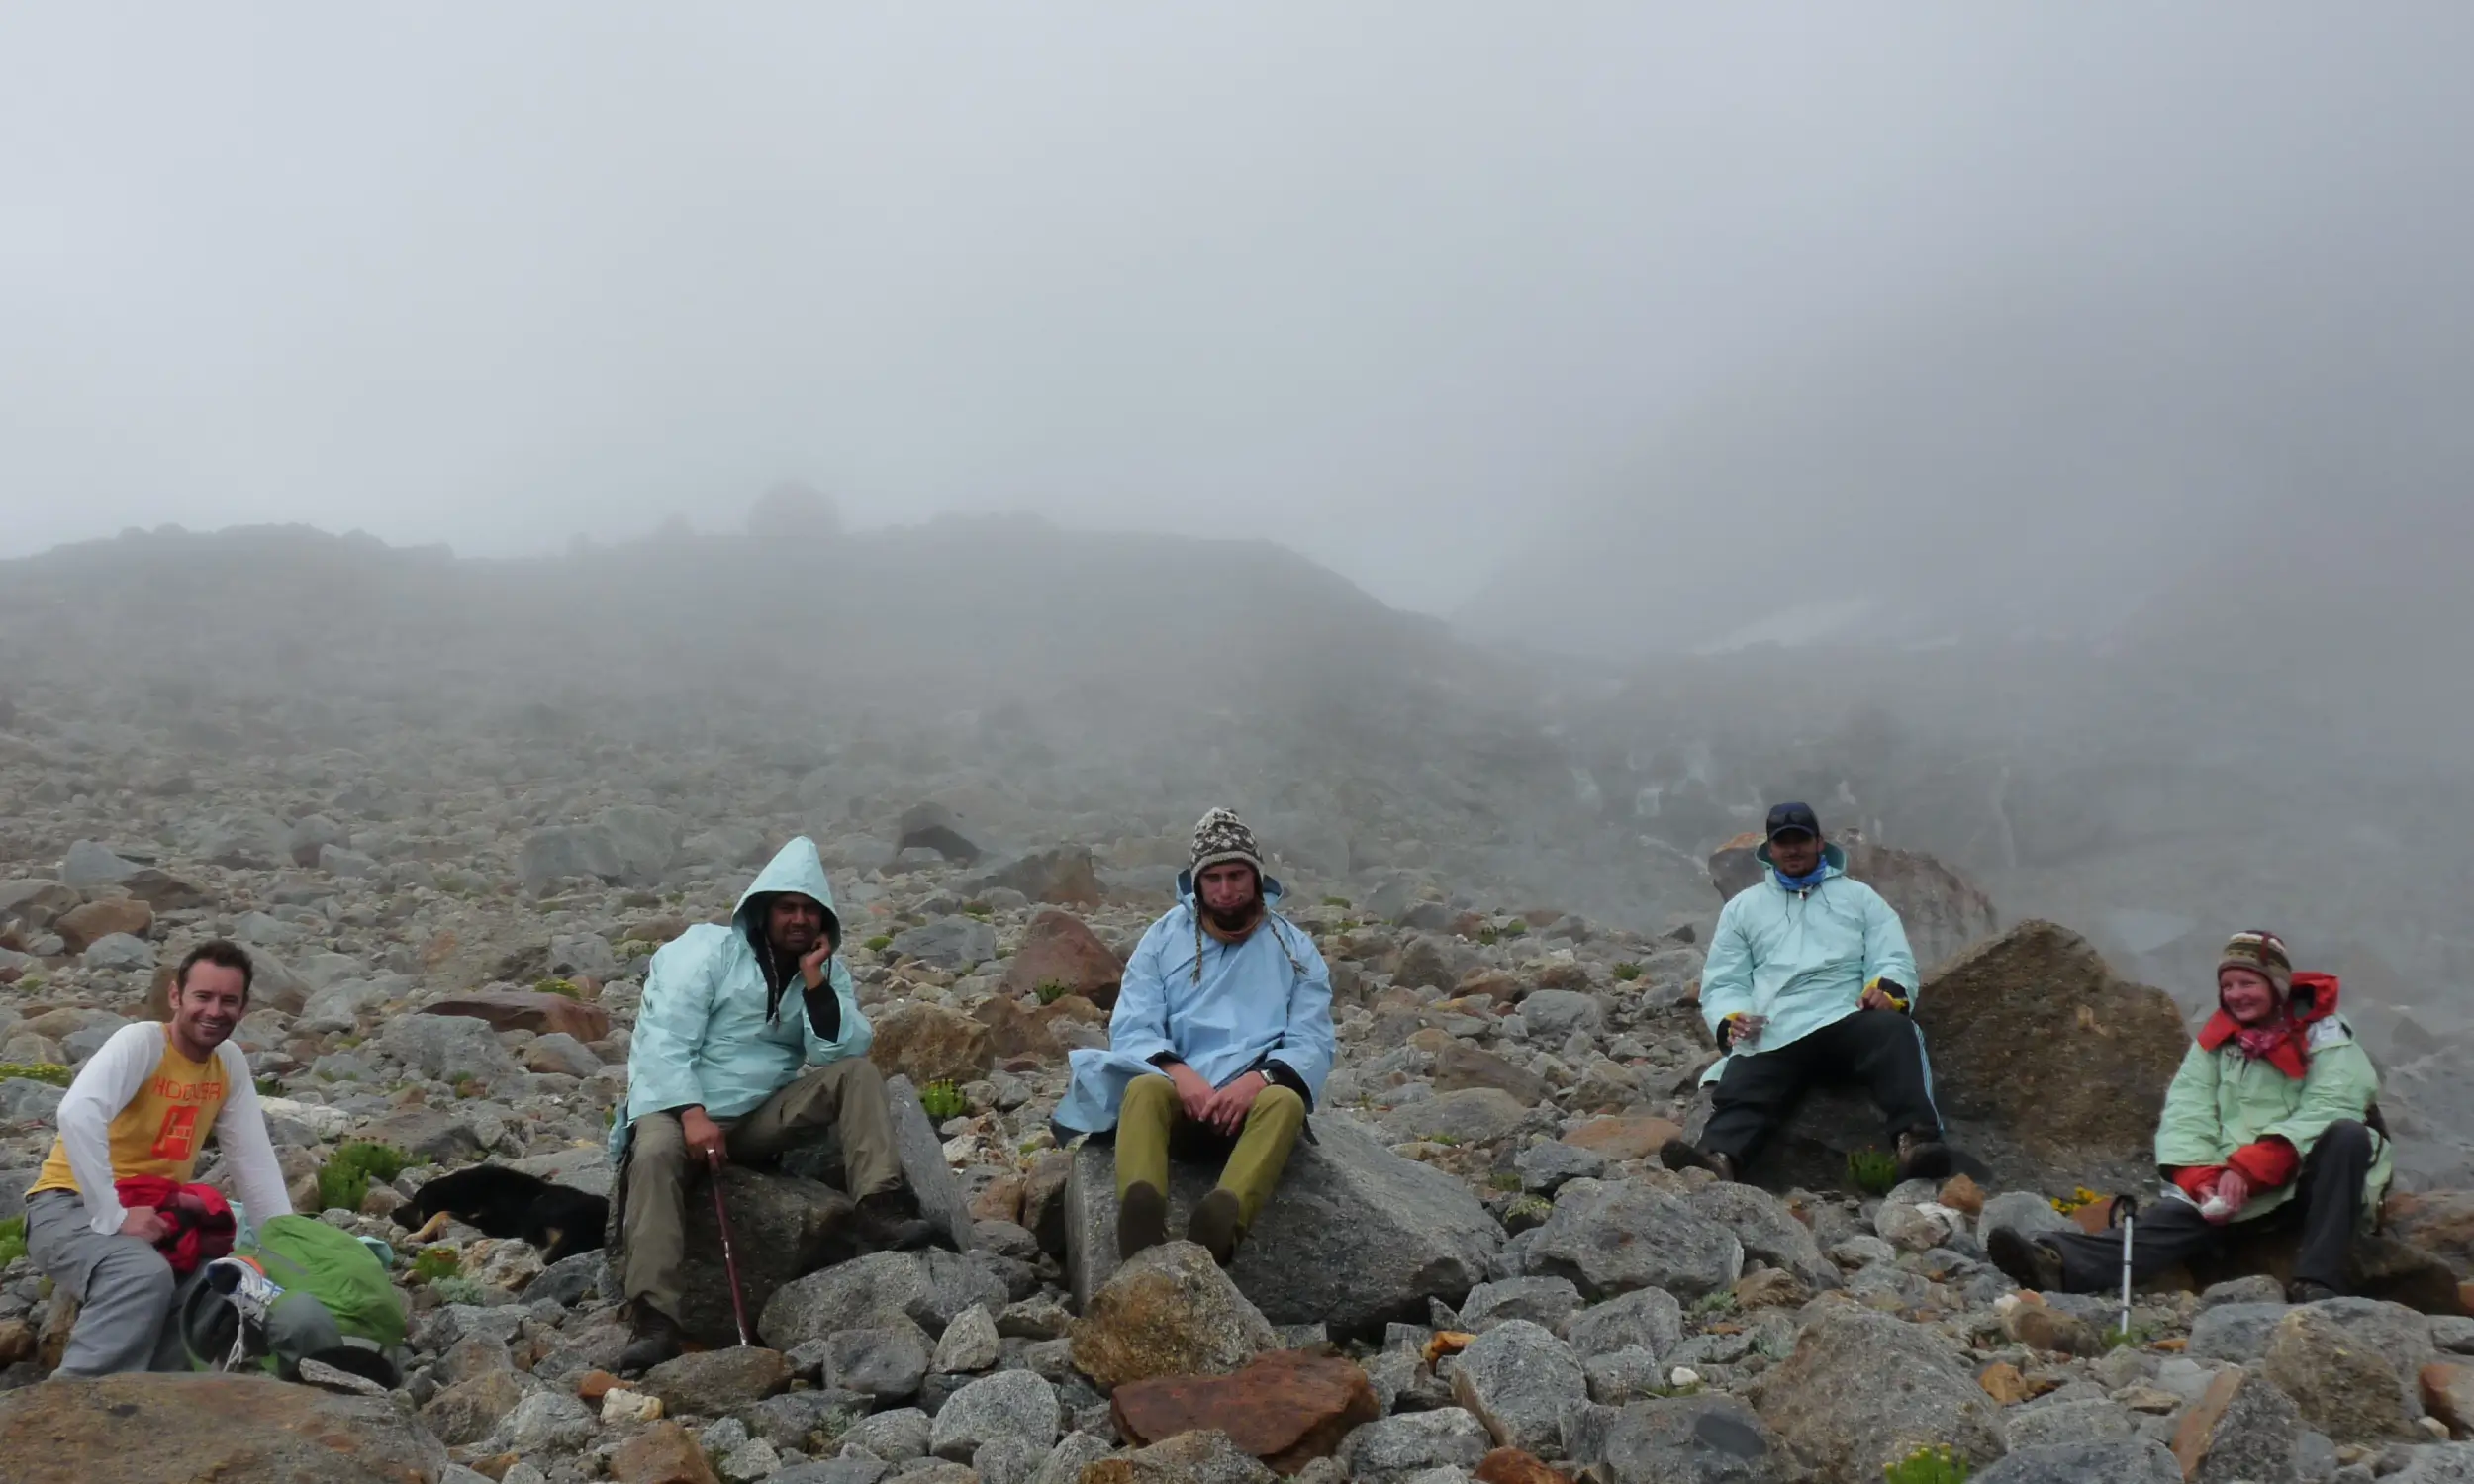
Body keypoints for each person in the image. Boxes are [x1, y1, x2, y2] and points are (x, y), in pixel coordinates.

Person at [610, 836, 932, 1372]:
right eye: (788, 907)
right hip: (677, 1106)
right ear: (763, 910)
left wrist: (815, 985)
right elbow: (662, 1038)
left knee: (858, 1075)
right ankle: (654, 1320)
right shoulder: (705, 951)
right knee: (654, 1156)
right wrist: (691, 1114)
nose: (799, 919)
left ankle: (880, 1209)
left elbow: (840, 1048)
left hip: (756, 1114)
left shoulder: (826, 971)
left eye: (810, 910)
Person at [1990, 930, 2390, 1305]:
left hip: (2302, 1181)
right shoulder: (2216, 1043)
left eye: (2248, 983)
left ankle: (2317, 1283)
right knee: (2166, 1221)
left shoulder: (2325, 1033)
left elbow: (2333, 1103)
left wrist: (2248, 1171)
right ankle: (2056, 1262)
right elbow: (2186, 1115)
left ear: (2277, 984)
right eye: (2228, 985)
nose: (2236, 995)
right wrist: (2203, 1183)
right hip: (2240, 1191)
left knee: (2348, 1137)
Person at [1052, 808, 1334, 1265]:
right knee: (1142, 1089)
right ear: (1196, 883)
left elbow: (1312, 1037)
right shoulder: (1163, 939)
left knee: (1286, 1103)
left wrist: (1258, 1080)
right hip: (1179, 1098)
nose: (1226, 891)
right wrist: (1181, 1075)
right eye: (1214, 878)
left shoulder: (1295, 949)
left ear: (1257, 876)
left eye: (1237, 875)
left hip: (1251, 1107)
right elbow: (1134, 1023)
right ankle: (1141, 1219)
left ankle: (1221, 1224)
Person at [24, 939, 292, 1375]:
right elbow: (76, 1113)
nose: (213, 1011)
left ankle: (157, 1403)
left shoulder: (228, 1064)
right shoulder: (142, 1044)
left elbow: (254, 1165)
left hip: (156, 1213)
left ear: (243, 1009)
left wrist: (285, 1250)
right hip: (68, 1204)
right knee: (141, 1274)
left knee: (226, 1286)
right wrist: (112, 1215)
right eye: (202, 997)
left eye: (228, 1001)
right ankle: (80, 1406)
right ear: (175, 996)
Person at [1661, 801, 1954, 1184]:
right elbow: (1725, 981)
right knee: (1747, 1077)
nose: (1793, 848)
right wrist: (1730, 1019)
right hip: (1776, 1027)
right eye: (1784, 841)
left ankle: (1917, 1141)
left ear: (1818, 842)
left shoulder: (1860, 898)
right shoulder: (1742, 909)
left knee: (1894, 1032)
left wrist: (1887, 990)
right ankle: (1717, 1161)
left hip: (1845, 1016)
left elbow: (1892, 956)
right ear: (1770, 849)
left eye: (1801, 839)